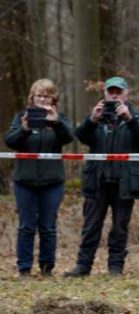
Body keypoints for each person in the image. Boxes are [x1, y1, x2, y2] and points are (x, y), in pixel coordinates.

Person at [64, 77, 139, 277]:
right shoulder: (97, 116)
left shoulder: (135, 115)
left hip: (125, 181)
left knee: (120, 226)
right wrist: (91, 120)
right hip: (98, 180)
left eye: (118, 92)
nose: (114, 95)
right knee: (91, 225)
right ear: (105, 93)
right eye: (111, 91)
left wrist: (129, 118)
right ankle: (83, 266)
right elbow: (80, 136)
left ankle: (115, 267)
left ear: (126, 93)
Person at [4, 78, 73, 276]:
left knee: (48, 227)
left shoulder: (61, 118)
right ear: (31, 98)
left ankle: (46, 268)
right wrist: (24, 129)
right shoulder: (21, 117)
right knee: (26, 226)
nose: (42, 99)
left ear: (53, 99)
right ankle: (24, 268)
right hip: (24, 181)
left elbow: (69, 138)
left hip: (52, 181)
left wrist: (56, 122)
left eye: (46, 96)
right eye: (39, 96)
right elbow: (10, 141)